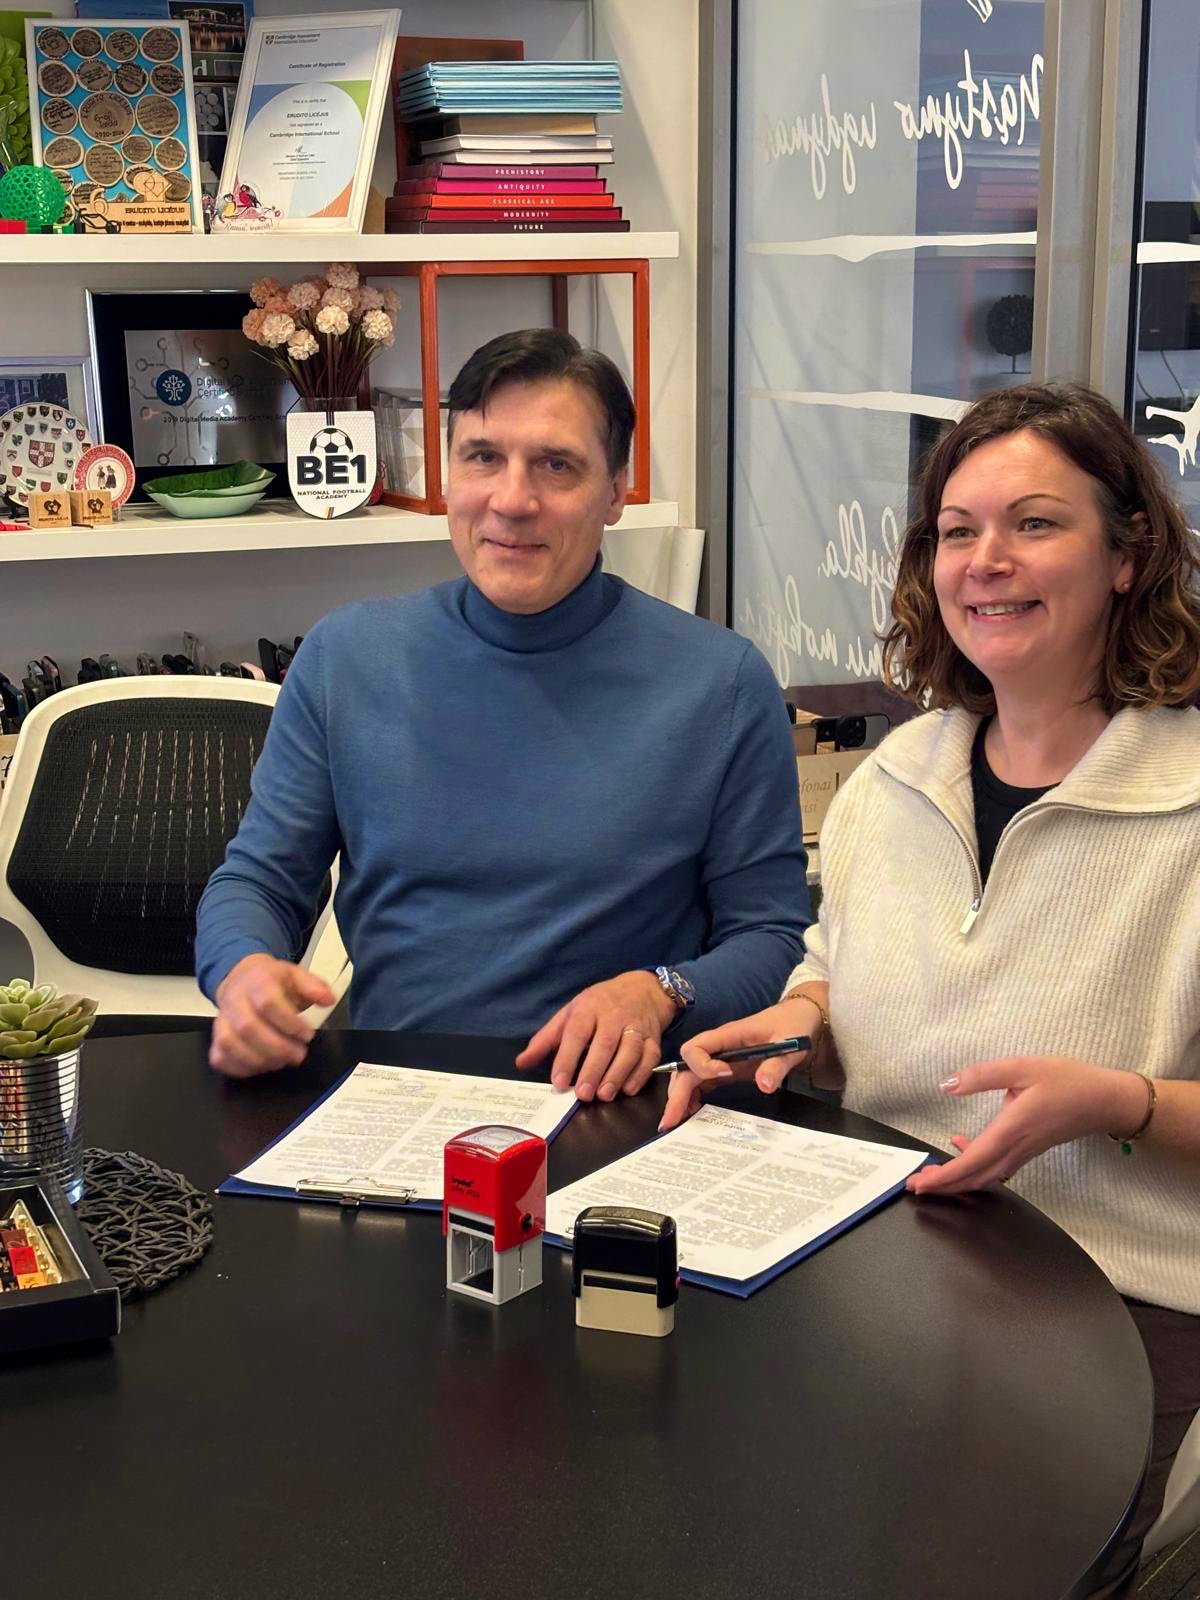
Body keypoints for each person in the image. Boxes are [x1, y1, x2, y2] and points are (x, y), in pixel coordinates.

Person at [662, 383, 1200, 1596]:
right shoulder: (895, 777)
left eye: (1034, 523)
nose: (985, 560)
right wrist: (801, 1024)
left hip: (1121, 1301)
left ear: (1127, 556)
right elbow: (836, 973)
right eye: (958, 530)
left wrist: (1121, 1103)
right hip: (883, 1261)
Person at [196, 327, 809, 1102]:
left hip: (614, 1109)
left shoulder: (720, 683)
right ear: (448, 475)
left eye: (557, 465)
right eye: (483, 457)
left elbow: (771, 936)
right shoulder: (346, 658)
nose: (512, 501)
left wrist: (665, 991)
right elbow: (257, 881)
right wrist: (243, 969)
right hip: (394, 1099)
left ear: (617, 490)